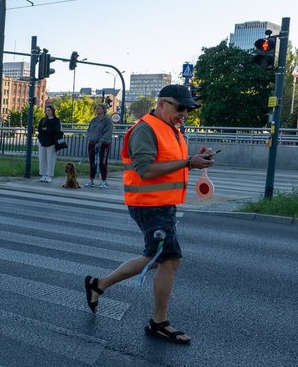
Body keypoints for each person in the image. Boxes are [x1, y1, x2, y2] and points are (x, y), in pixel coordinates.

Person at [84, 85, 215, 344]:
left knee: (155, 258)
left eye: (188, 109)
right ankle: (159, 322)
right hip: (149, 204)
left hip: (163, 204)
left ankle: (98, 285)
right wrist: (189, 162)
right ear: (162, 103)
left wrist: (194, 159)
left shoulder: (171, 129)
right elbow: (145, 170)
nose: (184, 113)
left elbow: (171, 164)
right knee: (170, 260)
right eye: (181, 107)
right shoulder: (145, 129)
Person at [85, 103, 113, 188]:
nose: (97, 110)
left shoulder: (107, 120)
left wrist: (101, 142)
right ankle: (91, 180)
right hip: (92, 143)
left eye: (99, 108)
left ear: (104, 110)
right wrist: (89, 138)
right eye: (96, 108)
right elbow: (89, 130)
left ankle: (104, 181)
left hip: (104, 144)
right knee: (92, 162)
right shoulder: (94, 120)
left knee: (102, 163)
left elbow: (108, 132)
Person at [36, 105, 62, 182]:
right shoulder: (43, 120)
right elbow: (40, 129)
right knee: (42, 159)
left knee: (50, 160)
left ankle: (49, 175)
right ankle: (43, 174)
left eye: (49, 110)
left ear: (52, 111)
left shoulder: (56, 120)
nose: (47, 112)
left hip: (52, 142)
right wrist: (46, 130)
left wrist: (46, 129)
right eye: (46, 110)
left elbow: (56, 130)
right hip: (42, 142)